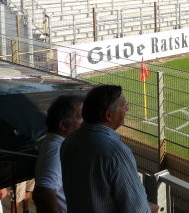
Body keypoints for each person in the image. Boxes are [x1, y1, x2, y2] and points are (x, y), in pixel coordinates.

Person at [61, 85, 158, 213]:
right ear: (108, 115)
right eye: (123, 106)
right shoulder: (116, 152)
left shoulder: (70, 140)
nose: (126, 109)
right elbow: (137, 210)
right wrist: (151, 208)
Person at [33, 94, 84, 213]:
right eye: (81, 116)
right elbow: (42, 193)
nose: (85, 121)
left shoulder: (59, 145)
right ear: (63, 125)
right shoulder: (55, 149)